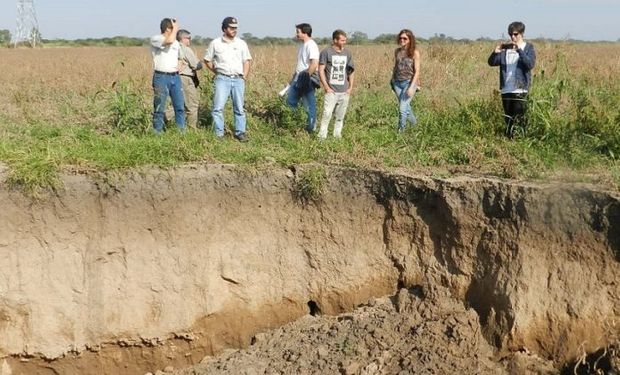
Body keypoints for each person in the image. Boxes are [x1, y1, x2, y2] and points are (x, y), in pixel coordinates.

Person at [203, 17, 252, 141]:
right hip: (222, 79)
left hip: (238, 79)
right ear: (224, 28)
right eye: (231, 27)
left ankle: (240, 132)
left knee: (239, 108)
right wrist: (217, 71)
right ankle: (219, 134)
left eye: (235, 28)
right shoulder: (215, 43)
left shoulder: (241, 43)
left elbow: (247, 60)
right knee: (218, 107)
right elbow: (207, 60)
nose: (234, 30)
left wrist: (244, 76)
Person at [488, 21, 536, 138]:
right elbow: (491, 63)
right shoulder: (505, 49)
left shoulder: (528, 48)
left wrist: (519, 50)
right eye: (510, 34)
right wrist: (495, 53)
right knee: (508, 120)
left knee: (519, 120)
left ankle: (520, 142)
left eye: (515, 34)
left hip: (520, 89)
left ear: (522, 33)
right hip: (506, 89)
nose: (513, 37)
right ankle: (509, 142)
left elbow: (529, 64)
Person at [317, 29, 355, 140]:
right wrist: (326, 87)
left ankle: (337, 136)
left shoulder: (347, 53)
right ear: (335, 40)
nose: (344, 42)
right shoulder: (326, 52)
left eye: (345, 40)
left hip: (344, 91)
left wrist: (350, 87)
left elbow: (351, 71)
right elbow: (321, 70)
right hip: (331, 91)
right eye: (342, 40)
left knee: (340, 116)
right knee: (327, 114)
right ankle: (322, 137)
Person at [150, 17, 185, 134]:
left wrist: (179, 64)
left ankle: (181, 131)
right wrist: (176, 28)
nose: (175, 30)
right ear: (167, 28)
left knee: (179, 107)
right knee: (159, 107)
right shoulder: (156, 39)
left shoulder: (176, 43)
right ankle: (157, 132)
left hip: (175, 77)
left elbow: (180, 56)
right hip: (161, 77)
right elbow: (168, 41)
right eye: (173, 28)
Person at [165, 29, 203, 129]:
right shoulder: (185, 49)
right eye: (189, 38)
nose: (190, 41)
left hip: (171, 77)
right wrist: (202, 63)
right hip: (185, 79)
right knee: (192, 105)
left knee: (174, 104)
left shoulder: (170, 48)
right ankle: (192, 128)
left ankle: (161, 122)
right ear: (183, 38)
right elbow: (196, 65)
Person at [287, 23, 320, 133]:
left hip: (306, 79)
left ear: (305, 33)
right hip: (298, 78)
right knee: (291, 101)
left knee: (309, 105)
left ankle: (311, 128)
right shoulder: (302, 45)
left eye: (298, 32)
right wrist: (293, 79)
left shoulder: (311, 45)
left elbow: (314, 63)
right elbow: (300, 64)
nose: (296, 34)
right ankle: (296, 125)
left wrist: (306, 78)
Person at [390, 29, 421, 133]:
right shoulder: (397, 51)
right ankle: (415, 126)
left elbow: (417, 71)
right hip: (397, 83)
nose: (402, 40)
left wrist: (413, 87)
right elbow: (396, 67)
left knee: (402, 109)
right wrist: (392, 80)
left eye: (405, 38)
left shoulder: (414, 52)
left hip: (408, 82)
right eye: (401, 38)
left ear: (410, 39)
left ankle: (400, 133)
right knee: (406, 108)